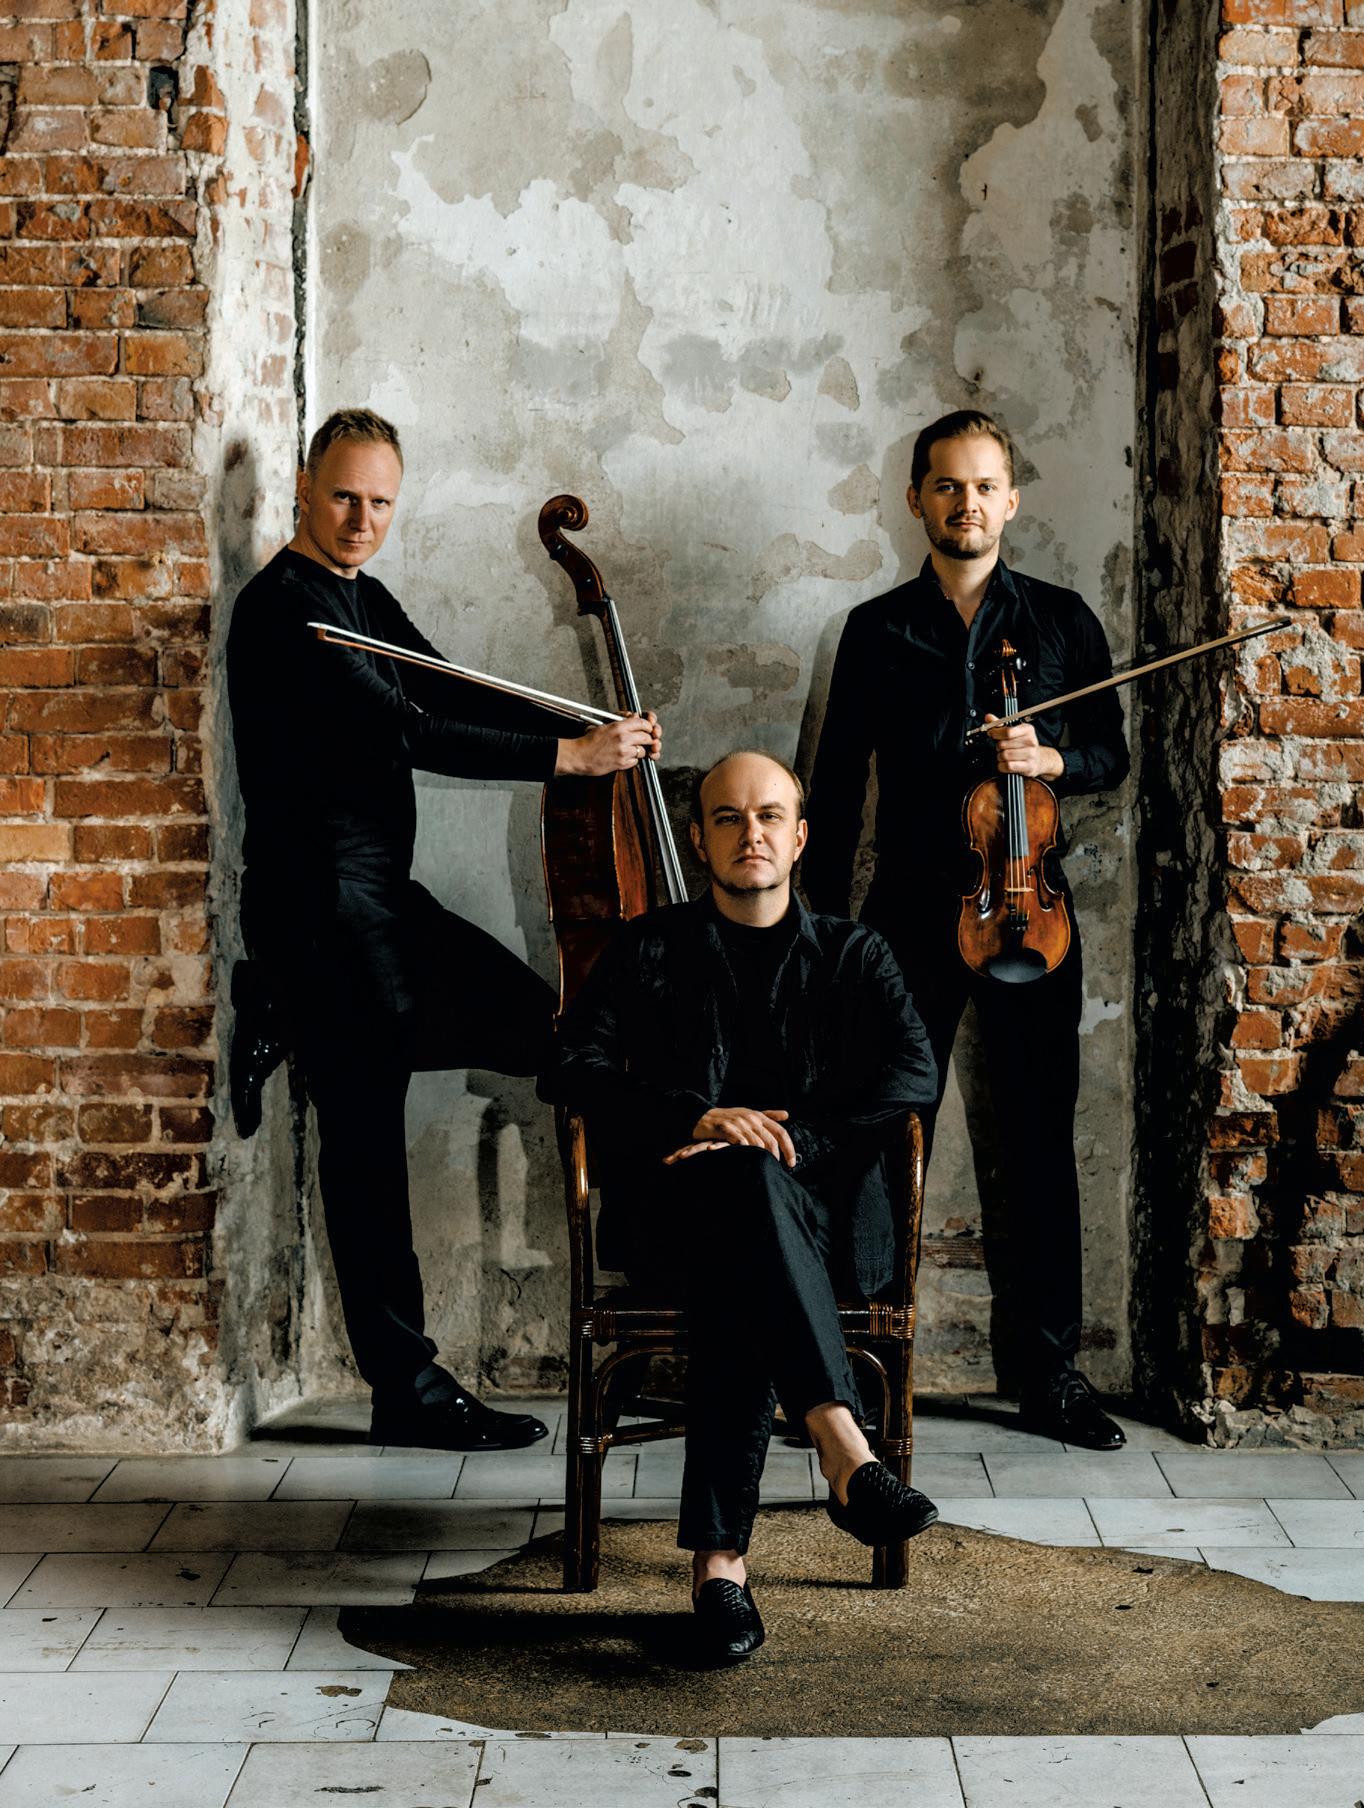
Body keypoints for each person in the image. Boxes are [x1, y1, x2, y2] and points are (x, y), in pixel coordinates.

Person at [226, 407, 661, 1452]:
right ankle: (407, 1388)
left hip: (381, 897)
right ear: (302, 486)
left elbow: (447, 686)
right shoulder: (286, 611)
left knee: (548, 1031)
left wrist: (586, 728)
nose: (361, 518)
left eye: (380, 501)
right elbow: (409, 729)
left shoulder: (362, 597)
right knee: (365, 1142)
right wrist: (567, 760)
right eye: (343, 495)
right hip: (320, 906)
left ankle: (280, 1004)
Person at [543, 749, 939, 1663]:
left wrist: (800, 1144)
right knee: (743, 1212)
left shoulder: (856, 953)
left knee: (749, 1225)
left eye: (768, 816)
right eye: (728, 817)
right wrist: (694, 1116)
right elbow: (568, 1066)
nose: (749, 833)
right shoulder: (648, 947)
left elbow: (913, 1074)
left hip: (828, 1233)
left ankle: (720, 1570)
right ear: (699, 839)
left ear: (799, 839)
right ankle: (844, 1449)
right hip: (675, 1228)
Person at [805, 409, 1130, 1452]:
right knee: (880, 1133)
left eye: (985, 485)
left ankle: (1049, 1373)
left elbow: (1111, 754)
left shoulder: (1062, 622)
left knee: (1036, 1136)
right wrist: (820, 938)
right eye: (947, 485)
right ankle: (857, 1367)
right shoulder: (875, 630)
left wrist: (1050, 760)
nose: (967, 503)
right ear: (916, 499)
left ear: (1011, 499)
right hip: (908, 908)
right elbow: (835, 787)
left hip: (1028, 905)